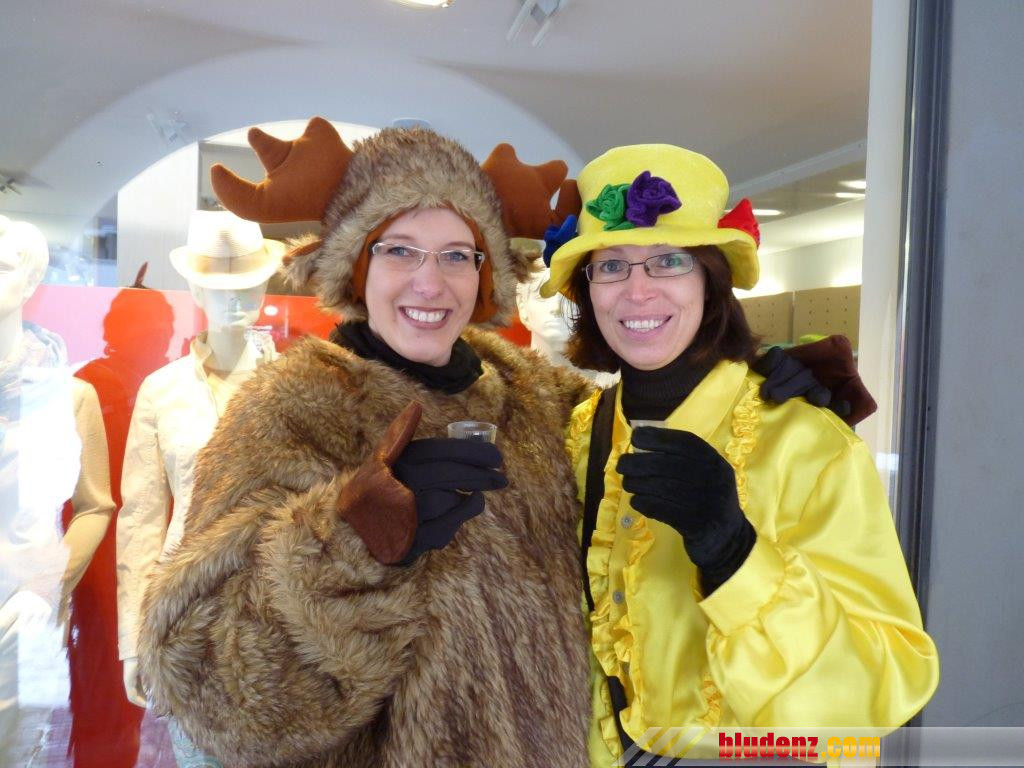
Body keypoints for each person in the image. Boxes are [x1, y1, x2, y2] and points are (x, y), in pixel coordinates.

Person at [137, 119, 864, 768]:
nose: (431, 282)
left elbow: (656, 428)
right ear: (354, 265)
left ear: (487, 274)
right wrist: (353, 541)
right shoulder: (290, 409)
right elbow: (212, 689)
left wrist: (758, 381)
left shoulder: (533, 397)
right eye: (400, 251)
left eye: (458, 255)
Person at [540, 144, 941, 764]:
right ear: (587, 291)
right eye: (612, 266)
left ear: (710, 282)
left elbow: (886, 683)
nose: (638, 291)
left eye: (669, 261)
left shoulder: (806, 440)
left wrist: (735, 554)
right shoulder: (578, 432)